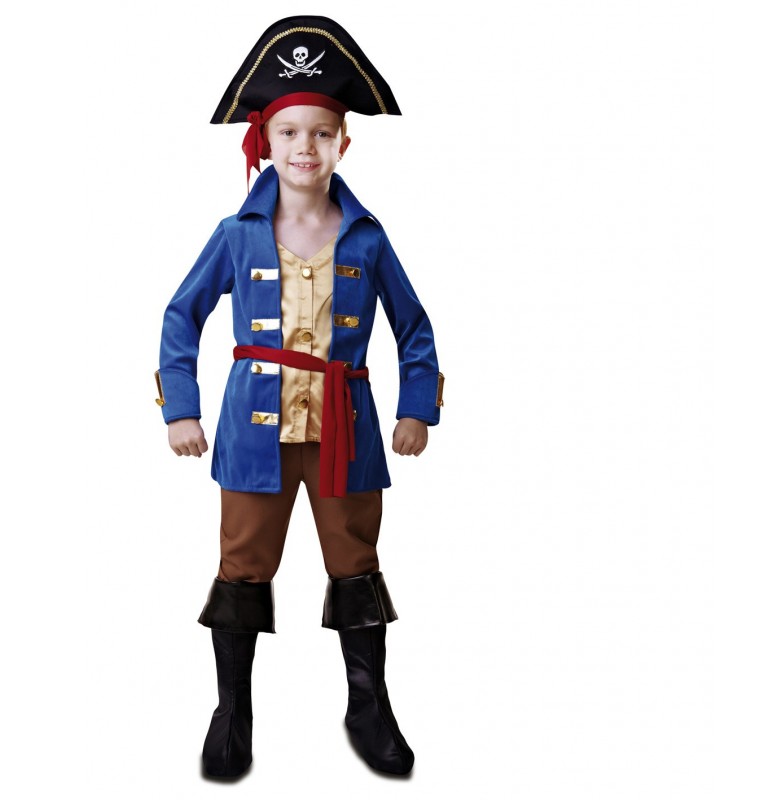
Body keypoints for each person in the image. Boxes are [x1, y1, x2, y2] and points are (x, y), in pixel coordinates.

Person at [155, 15, 444, 779]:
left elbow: (413, 327)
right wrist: (180, 406)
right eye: (289, 133)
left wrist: (417, 407)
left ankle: (368, 704)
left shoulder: (368, 237)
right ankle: (232, 711)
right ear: (265, 141)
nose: (305, 148)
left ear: (344, 143)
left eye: (321, 133)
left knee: (356, 561)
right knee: (242, 564)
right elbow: (181, 314)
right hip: (254, 437)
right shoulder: (236, 233)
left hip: (347, 427)